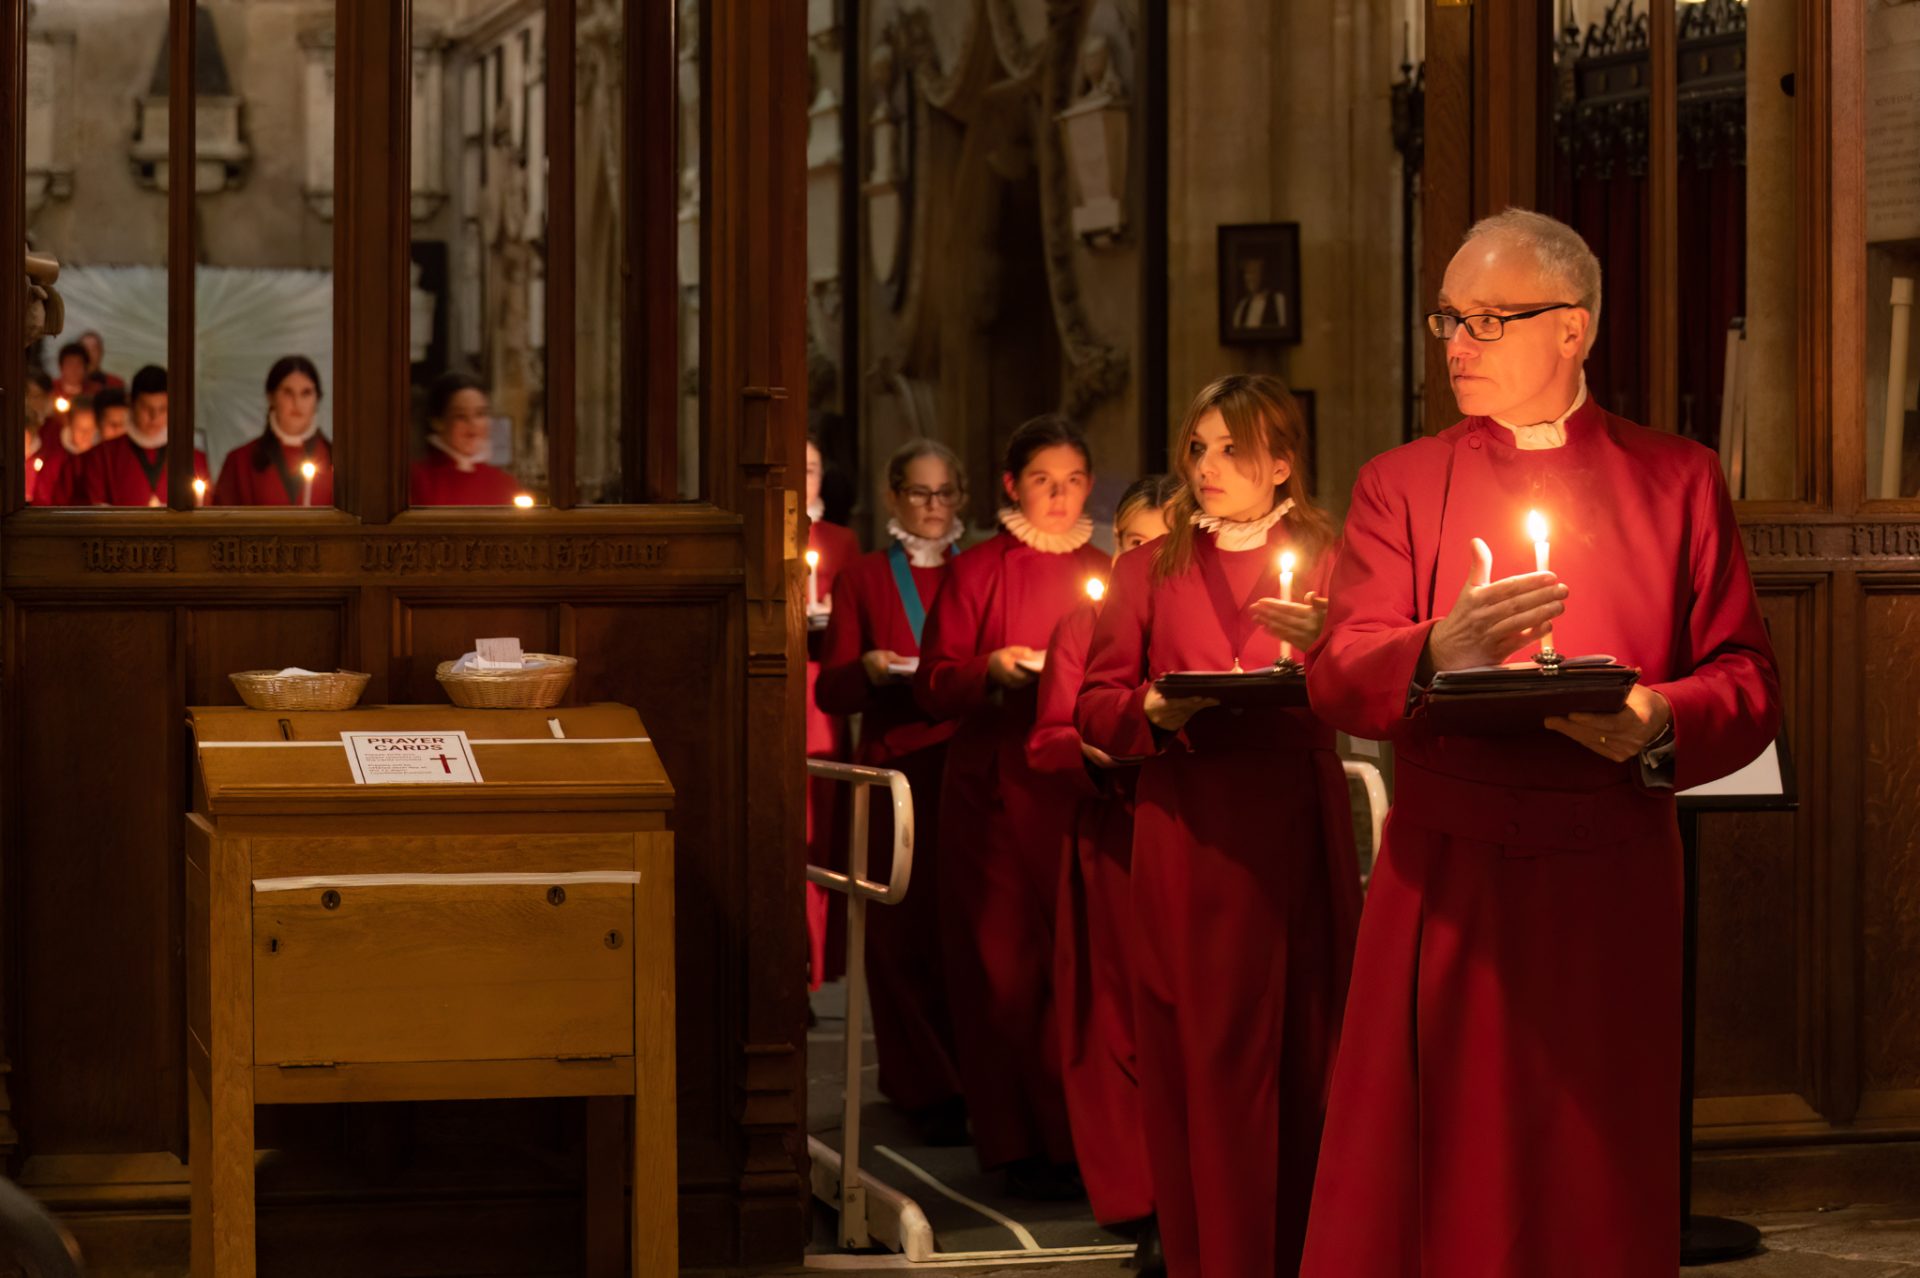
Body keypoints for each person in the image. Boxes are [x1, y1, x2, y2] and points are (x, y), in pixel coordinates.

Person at [1298, 209, 1780, 1277]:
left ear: (1573, 328)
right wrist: (1437, 647)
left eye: (1487, 319)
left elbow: (1747, 679)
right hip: (1449, 872)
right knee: (1432, 1175)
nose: (1457, 343)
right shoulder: (1402, 482)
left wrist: (1656, 715)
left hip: (1608, 872)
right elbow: (1333, 670)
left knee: (1592, 1165)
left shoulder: (1679, 479)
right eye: (1449, 320)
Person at [1075, 374, 1361, 1277]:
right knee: (1196, 1054)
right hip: (1186, 828)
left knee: (1298, 1045)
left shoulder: (1330, 554)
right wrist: (1149, 712)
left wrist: (1326, 644)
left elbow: (1374, 684)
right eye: (1197, 448)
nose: (1207, 466)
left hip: (1285, 828)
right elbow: (1094, 705)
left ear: (1282, 462)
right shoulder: (1145, 565)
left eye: (1231, 448)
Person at [913, 414, 1106, 1198]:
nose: (1058, 499)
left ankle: (1083, 1139)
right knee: (1002, 972)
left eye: (1072, 482)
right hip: (992, 792)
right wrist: (990, 668)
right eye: (1041, 482)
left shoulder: (1110, 568)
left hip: (1075, 790)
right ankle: (1017, 1141)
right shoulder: (978, 571)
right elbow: (932, 682)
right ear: (1010, 486)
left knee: (1079, 971)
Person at [1027, 472, 1178, 1264]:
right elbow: (1048, 735)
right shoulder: (1084, 623)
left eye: (1157, 542)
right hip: (1112, 837)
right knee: (1118, 1022)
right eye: (1129, 543)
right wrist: (1088, 750)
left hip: (1188, 832)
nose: (1141, 557)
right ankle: (1143, 1196)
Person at [814, 438, 969, 1145]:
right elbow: (833, 685)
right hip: (895, 769)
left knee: (961, 933)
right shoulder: (867, 578)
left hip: (963, 764)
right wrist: (871, 667)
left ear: (961, 497)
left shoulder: (979, 571)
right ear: (892, 497)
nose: (932, 509)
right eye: (919, 494)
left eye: (944, 495)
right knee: (900, 936)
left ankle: (971, 1078)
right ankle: (920, 1084)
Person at [801, 433, 863, 991]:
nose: (805, 478)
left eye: (814, 467)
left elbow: (854, 616)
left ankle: (815, 966)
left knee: (821, 830)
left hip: (820, 694)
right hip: (777, 687)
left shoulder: (842, 541)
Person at [212, 356, 334, 507]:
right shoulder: (239, 462)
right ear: (271, 397)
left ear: (317, 399)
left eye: (306, 393)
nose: (297, 402)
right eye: (288, 392)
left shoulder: (337, 462)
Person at [82, 365, 210, 506]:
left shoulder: (191, 458)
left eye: (162, 409)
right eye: (146, 408)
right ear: (131, 402)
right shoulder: (103, 455)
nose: (154, 417)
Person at [408, 372, 520, 506]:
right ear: (438, 421)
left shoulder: (504, 483)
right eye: (460, 416)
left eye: (480, 414)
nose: (472, 423)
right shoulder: (415, 480)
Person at [28, 395, 96, 506]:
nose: (86, 435)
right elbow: (42, 499)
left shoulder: (101, 460)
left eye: (91, 429)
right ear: (70, 426)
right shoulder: (56, 461)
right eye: (80, 428)